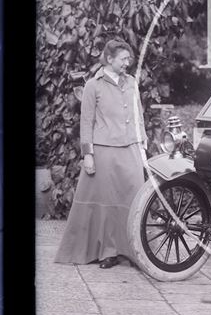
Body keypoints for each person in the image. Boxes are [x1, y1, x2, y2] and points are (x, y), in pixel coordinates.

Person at [54, 39, 148, 269]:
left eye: (129, 59)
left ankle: (134, 251)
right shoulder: (92, 86)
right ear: (109, 59)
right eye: (123, 59)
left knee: (135, 200)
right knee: (107, 204)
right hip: (104, 150)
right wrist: (88, 154)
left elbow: (138, 116)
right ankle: (109, 252)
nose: (128, 63)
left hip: (132, 148)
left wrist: (143, 144)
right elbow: (86, 122)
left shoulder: (132, 82)